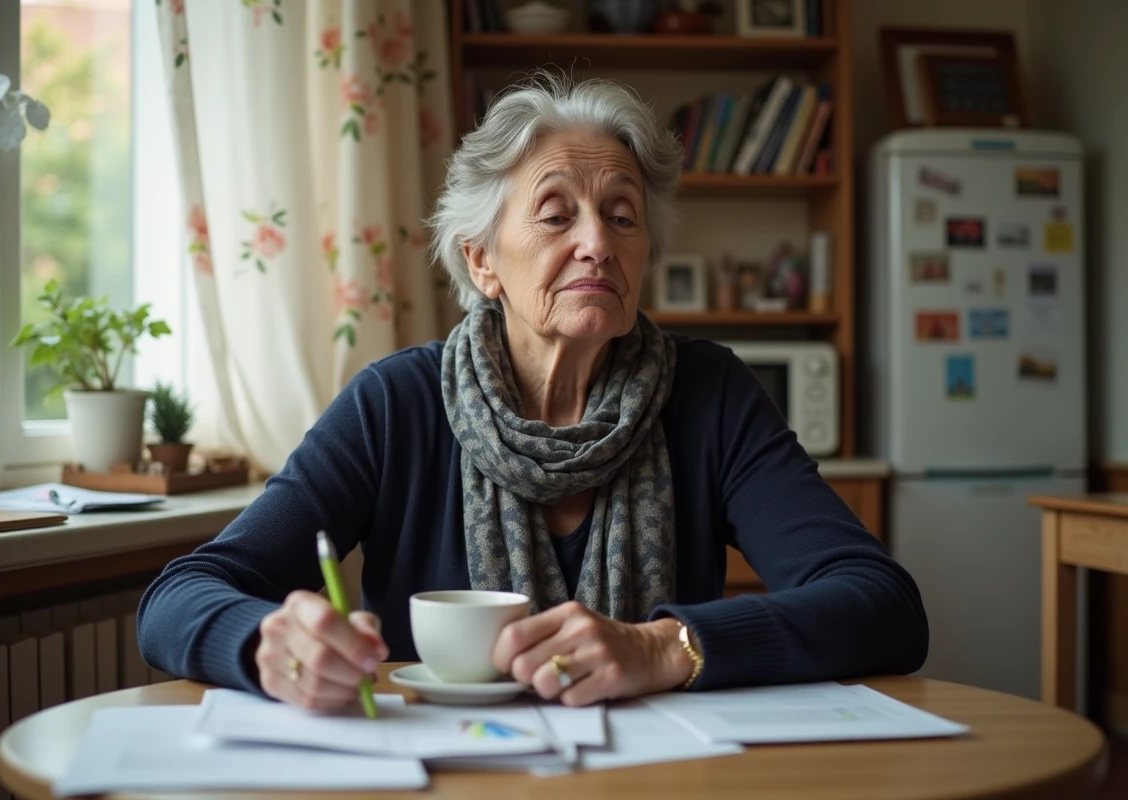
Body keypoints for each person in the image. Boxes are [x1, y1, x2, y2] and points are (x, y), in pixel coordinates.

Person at [138, 76, 928, 710]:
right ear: (483, 261)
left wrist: (661, 647)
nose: (597, 241)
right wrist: (265, 643)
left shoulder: (709, 393)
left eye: (623, 216)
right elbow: (178, 597)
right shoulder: (396, 405)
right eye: (556, 215)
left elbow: (881, 605)